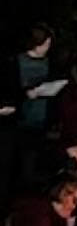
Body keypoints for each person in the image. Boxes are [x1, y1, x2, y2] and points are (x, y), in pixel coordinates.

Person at [8, 24, 59, 193]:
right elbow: (10, 90)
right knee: (22, 164)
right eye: (46, 43)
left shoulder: (49, 63)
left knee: (37, 162)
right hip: (22, 120)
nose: (48, 47)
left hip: (42, 119)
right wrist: (25, 94)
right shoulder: (16, 62)